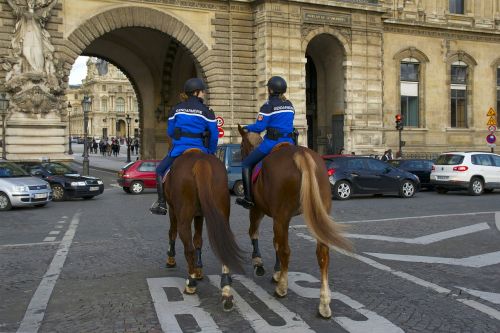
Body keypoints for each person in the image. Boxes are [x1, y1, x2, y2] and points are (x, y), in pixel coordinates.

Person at [150, 78, 218, 215]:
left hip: (179, 149)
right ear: (197, 92)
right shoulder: (207, 111)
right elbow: (214, 135)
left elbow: (170, 132)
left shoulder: (176, 109)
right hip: (201, 149)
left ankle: (162, 204)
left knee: (159, 171)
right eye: (203, 92)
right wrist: (211, 151)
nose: (204, 94)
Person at [236, 76, 296, 209]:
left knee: (246, 164)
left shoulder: (268, 106)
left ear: (270, 90)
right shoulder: (289, 104)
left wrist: (247, 127)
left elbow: (259, 127)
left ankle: (248, 198)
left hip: (272, 143)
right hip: (290, 142)